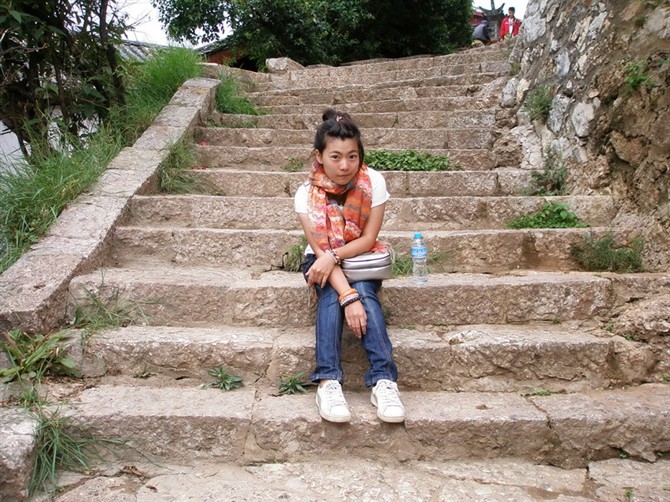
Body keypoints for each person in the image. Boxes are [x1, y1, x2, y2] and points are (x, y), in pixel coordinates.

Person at [294, 108, 405, 424]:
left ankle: (384, 381)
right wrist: (348, 296)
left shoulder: (373, 182)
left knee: (365, 291)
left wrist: (336, 258)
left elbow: (368, 238)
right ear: (319, 156)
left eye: (352, 157)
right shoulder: (306, 194)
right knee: (334, 296)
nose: (345, 165)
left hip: (361, 255)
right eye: (336, 157)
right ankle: (328, 381)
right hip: (320, 261)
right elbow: (320, 252)